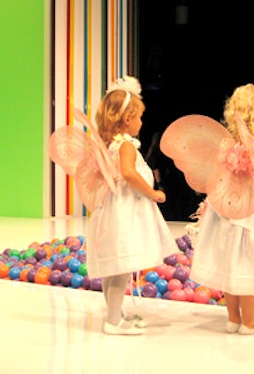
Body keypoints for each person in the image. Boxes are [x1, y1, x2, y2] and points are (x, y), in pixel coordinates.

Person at [161, 83, 254, 335]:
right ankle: (249, 322)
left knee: (230, 265)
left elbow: (215, 183)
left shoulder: (224, 150)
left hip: (225, 215)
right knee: (248, 266)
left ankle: (233, 318)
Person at [49, 76, 178, 335]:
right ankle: (113, 322)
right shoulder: (126, 146)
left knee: (113, 270)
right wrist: (153, 192)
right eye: (139, 117)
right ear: (128, 119)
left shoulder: (108, 146)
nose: (141, 122)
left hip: (111, 210)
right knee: (120, 270)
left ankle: (114, 314)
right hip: (124, 214)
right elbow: (130, 175)